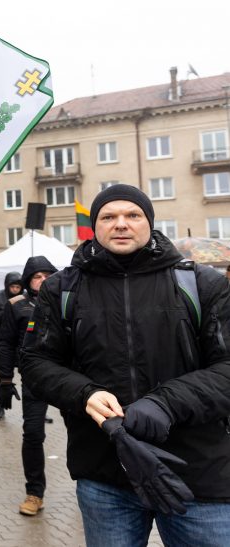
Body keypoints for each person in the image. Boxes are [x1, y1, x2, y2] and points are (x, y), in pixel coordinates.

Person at [22, 184, 230, 546]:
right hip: (106, 474)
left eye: (132, 215)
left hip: (197, 470)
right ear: (95, 226)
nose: (121, 224)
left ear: (149, 222)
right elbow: (36, 361)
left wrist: (166, 402)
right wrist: (84, 393)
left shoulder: (200, 282)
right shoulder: (62, 289)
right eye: (109, 216)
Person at [0, 257, 57, 516]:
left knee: (83, 432)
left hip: (68, 377)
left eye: (47, 275)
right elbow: (6, 343)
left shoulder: (66, 300)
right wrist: (5, 379)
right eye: (36, 276)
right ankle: (34, 493)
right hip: (34, 377)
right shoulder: (16, 305)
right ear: (27, 281)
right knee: (33, 434)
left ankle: (88, 488)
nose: (42, 280)